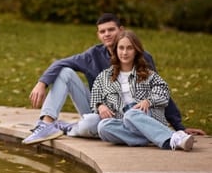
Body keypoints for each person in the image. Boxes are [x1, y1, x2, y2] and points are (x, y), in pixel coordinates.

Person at [22, 13, 205, 145]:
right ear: (98, 35)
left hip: (132, 113)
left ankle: (67, 128)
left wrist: (179, 125)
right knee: (65, 73)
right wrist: (42, 82)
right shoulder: (92, 56)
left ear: (121, 30)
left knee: (96, 125)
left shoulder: (142, 58)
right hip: (100, 112)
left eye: (111, 30)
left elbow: (160, 91)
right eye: (102, 31)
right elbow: (60, 62)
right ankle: (46, 124)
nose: (107, 34)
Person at [91, 30, 194, 151]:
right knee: (103, 127)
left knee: (131, 114)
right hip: (123, 121)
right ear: (115, 50)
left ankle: (171, 139)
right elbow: (95, 97)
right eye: (121, 48)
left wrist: (149, 101)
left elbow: (164, 91)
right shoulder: (104, 76)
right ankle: (152, 136)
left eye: (129, 48)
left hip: (145, 115)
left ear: (136, 51)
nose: (124, 52)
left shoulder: (148, 74)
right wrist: (100, 106)